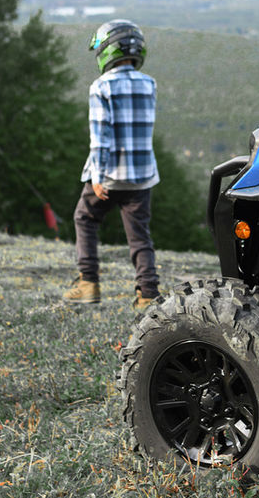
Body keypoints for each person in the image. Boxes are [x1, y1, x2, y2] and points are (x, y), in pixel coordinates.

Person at [62, 19, 161, 310]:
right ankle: (147, 295)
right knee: (139, 235)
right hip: (142, 177)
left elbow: (100, 136)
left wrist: (97, 174)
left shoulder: (100, 86)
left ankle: (88, 283)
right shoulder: (150, 84)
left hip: (110, 175)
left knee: (85, 218)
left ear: (107, 51)